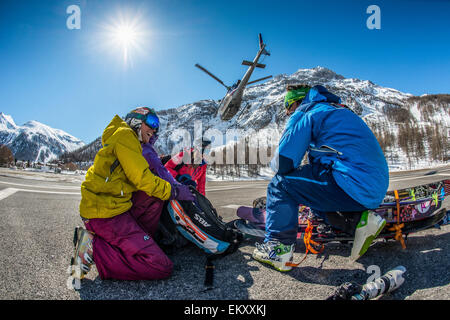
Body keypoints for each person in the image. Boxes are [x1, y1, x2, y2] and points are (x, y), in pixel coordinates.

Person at [252, 84, 389, 272]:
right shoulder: (336, 110)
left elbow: (283, 162)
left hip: (351, 181)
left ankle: (277, 249)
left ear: (296, 102)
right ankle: (355, 222)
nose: (287, 112)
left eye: (288, 107)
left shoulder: (307, 112)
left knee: (280, 185)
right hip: (371, 185)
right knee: (313, 182)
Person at [70, 107, 195, 281]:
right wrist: (174, 191)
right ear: (135, 121)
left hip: (114, 207)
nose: (154, 129)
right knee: (161, 267)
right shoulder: (125, 135)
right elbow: (143, 179)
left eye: (157, 127)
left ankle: (139, 243)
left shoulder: (129, 141)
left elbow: (145, 177)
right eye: (151, 123)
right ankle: (94, 247)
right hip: (105, 214)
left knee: (155, 197)